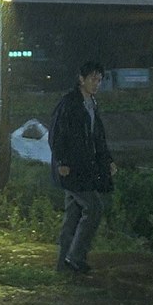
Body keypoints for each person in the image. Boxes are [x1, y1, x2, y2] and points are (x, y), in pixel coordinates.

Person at [49, 61, 117, 274]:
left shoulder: (91, 103)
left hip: (83, 168)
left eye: (99, 80)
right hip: (71, 169)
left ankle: (64, 264)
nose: (97, 83)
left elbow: (97, 137)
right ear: (81, 79)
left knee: (73, 215)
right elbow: (56, 134)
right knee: (94, 208)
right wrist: (61, 162)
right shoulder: (69, 103)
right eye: (93, 79)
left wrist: (107, 161)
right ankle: (75, 257)